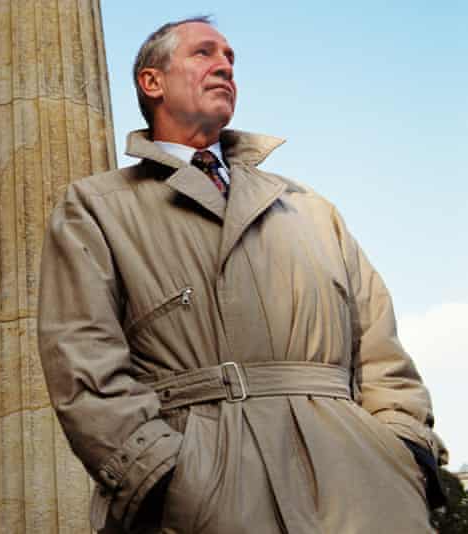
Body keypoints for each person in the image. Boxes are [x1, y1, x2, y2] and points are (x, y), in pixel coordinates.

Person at [37, 16, 446, 534]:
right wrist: (165, 480)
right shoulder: (95, 207)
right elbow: (82, 361)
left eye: (230, 58)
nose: (225, 66)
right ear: (152, 82)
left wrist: (404, 453)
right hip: (205, 497)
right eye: (205, 53)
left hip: (364, 492)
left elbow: (383, 351)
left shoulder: (308, 205)